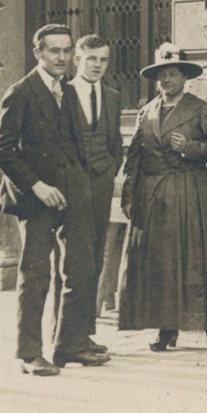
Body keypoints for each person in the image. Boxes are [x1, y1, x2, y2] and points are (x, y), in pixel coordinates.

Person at [0, 24, 108, 374]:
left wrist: (82, 184)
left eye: (66, 50)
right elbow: (3, 151)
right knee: (36, 274)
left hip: (73, 194)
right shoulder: (21, 93)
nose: (61, 58)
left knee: (80, 268)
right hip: (36, 199)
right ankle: (30, 354)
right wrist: (37, 186)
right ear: (38, 53)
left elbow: (75, 144)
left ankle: (69, 345)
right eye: (54, 51)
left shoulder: (69, 92)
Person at [118, 44, 207, 352]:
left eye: (173, 74)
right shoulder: (146, 111)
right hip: (153, 195)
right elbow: (134, 159)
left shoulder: (200, 109)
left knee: (198, 259)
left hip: (190, 191)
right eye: (162, 76)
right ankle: (166, 329)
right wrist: (128, 196)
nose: (167, 80)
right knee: (161, 262)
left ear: (185, 78)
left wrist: (190, 147)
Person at [63, 34, 123, 356]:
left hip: (100, 188)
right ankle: (63, 335)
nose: (98, 66)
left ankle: (84, 334)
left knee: (95, 258)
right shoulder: (63, 93)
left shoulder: (112, 97)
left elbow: (116, 143)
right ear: (77, 60)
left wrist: (111, 168)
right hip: (71, 190)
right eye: (91, 60)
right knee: (71, 264)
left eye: (103, 60)